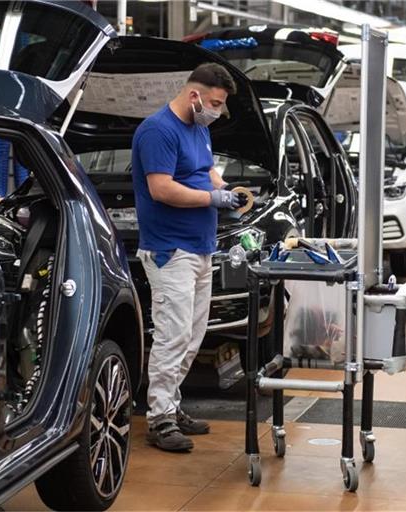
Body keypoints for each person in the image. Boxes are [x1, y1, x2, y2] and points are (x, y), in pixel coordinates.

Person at [132, 63, 246, 452]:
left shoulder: (199, 127)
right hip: (170, 251)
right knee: (172, 336)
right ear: (194, 94)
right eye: (214, 102)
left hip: (200, 248)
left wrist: (228, 190)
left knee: (193, 338)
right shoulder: (157, 131)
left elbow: (207, 171)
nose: (216, 110)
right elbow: (162, 189)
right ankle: (159, 419)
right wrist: (212, 199)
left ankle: (171, 404)